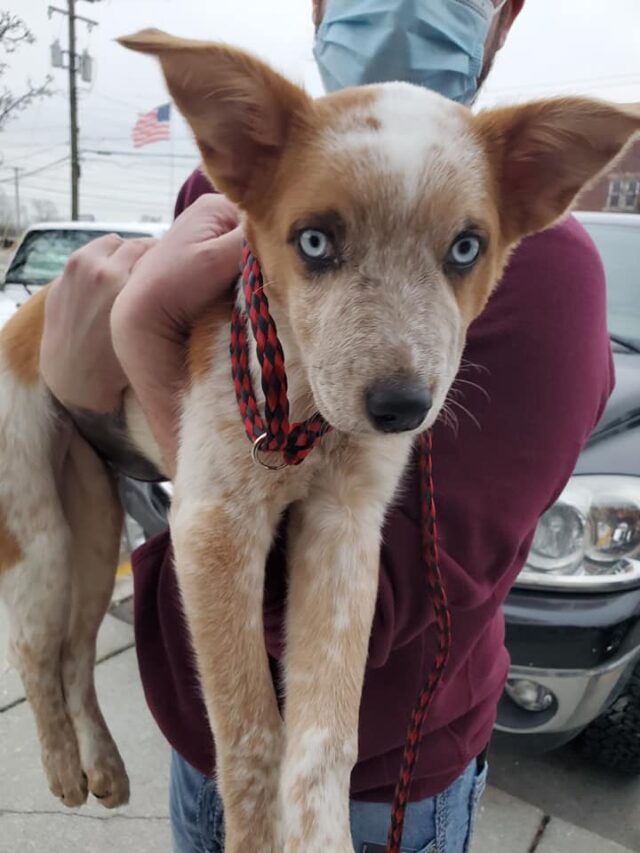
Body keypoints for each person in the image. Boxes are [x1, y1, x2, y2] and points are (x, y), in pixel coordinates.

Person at [40, 1, 614, 851]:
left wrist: (144, 346)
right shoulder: (227, 192)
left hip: (385, 794)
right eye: (317, 240)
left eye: (461, 250)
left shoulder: (553, 273)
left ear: (506, 15)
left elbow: (386, 607)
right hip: (199, 739)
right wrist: (77, 384)